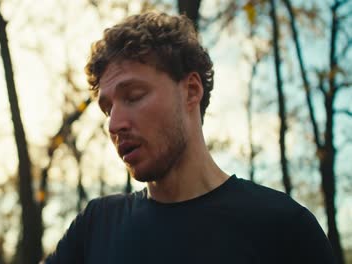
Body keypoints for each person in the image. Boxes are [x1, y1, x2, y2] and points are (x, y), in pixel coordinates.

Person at [44, 11, 336, 264]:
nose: (115, 124)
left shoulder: (283, 228)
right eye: (108, 110)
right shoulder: (96, 226)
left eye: (133, 96)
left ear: (191, 91)